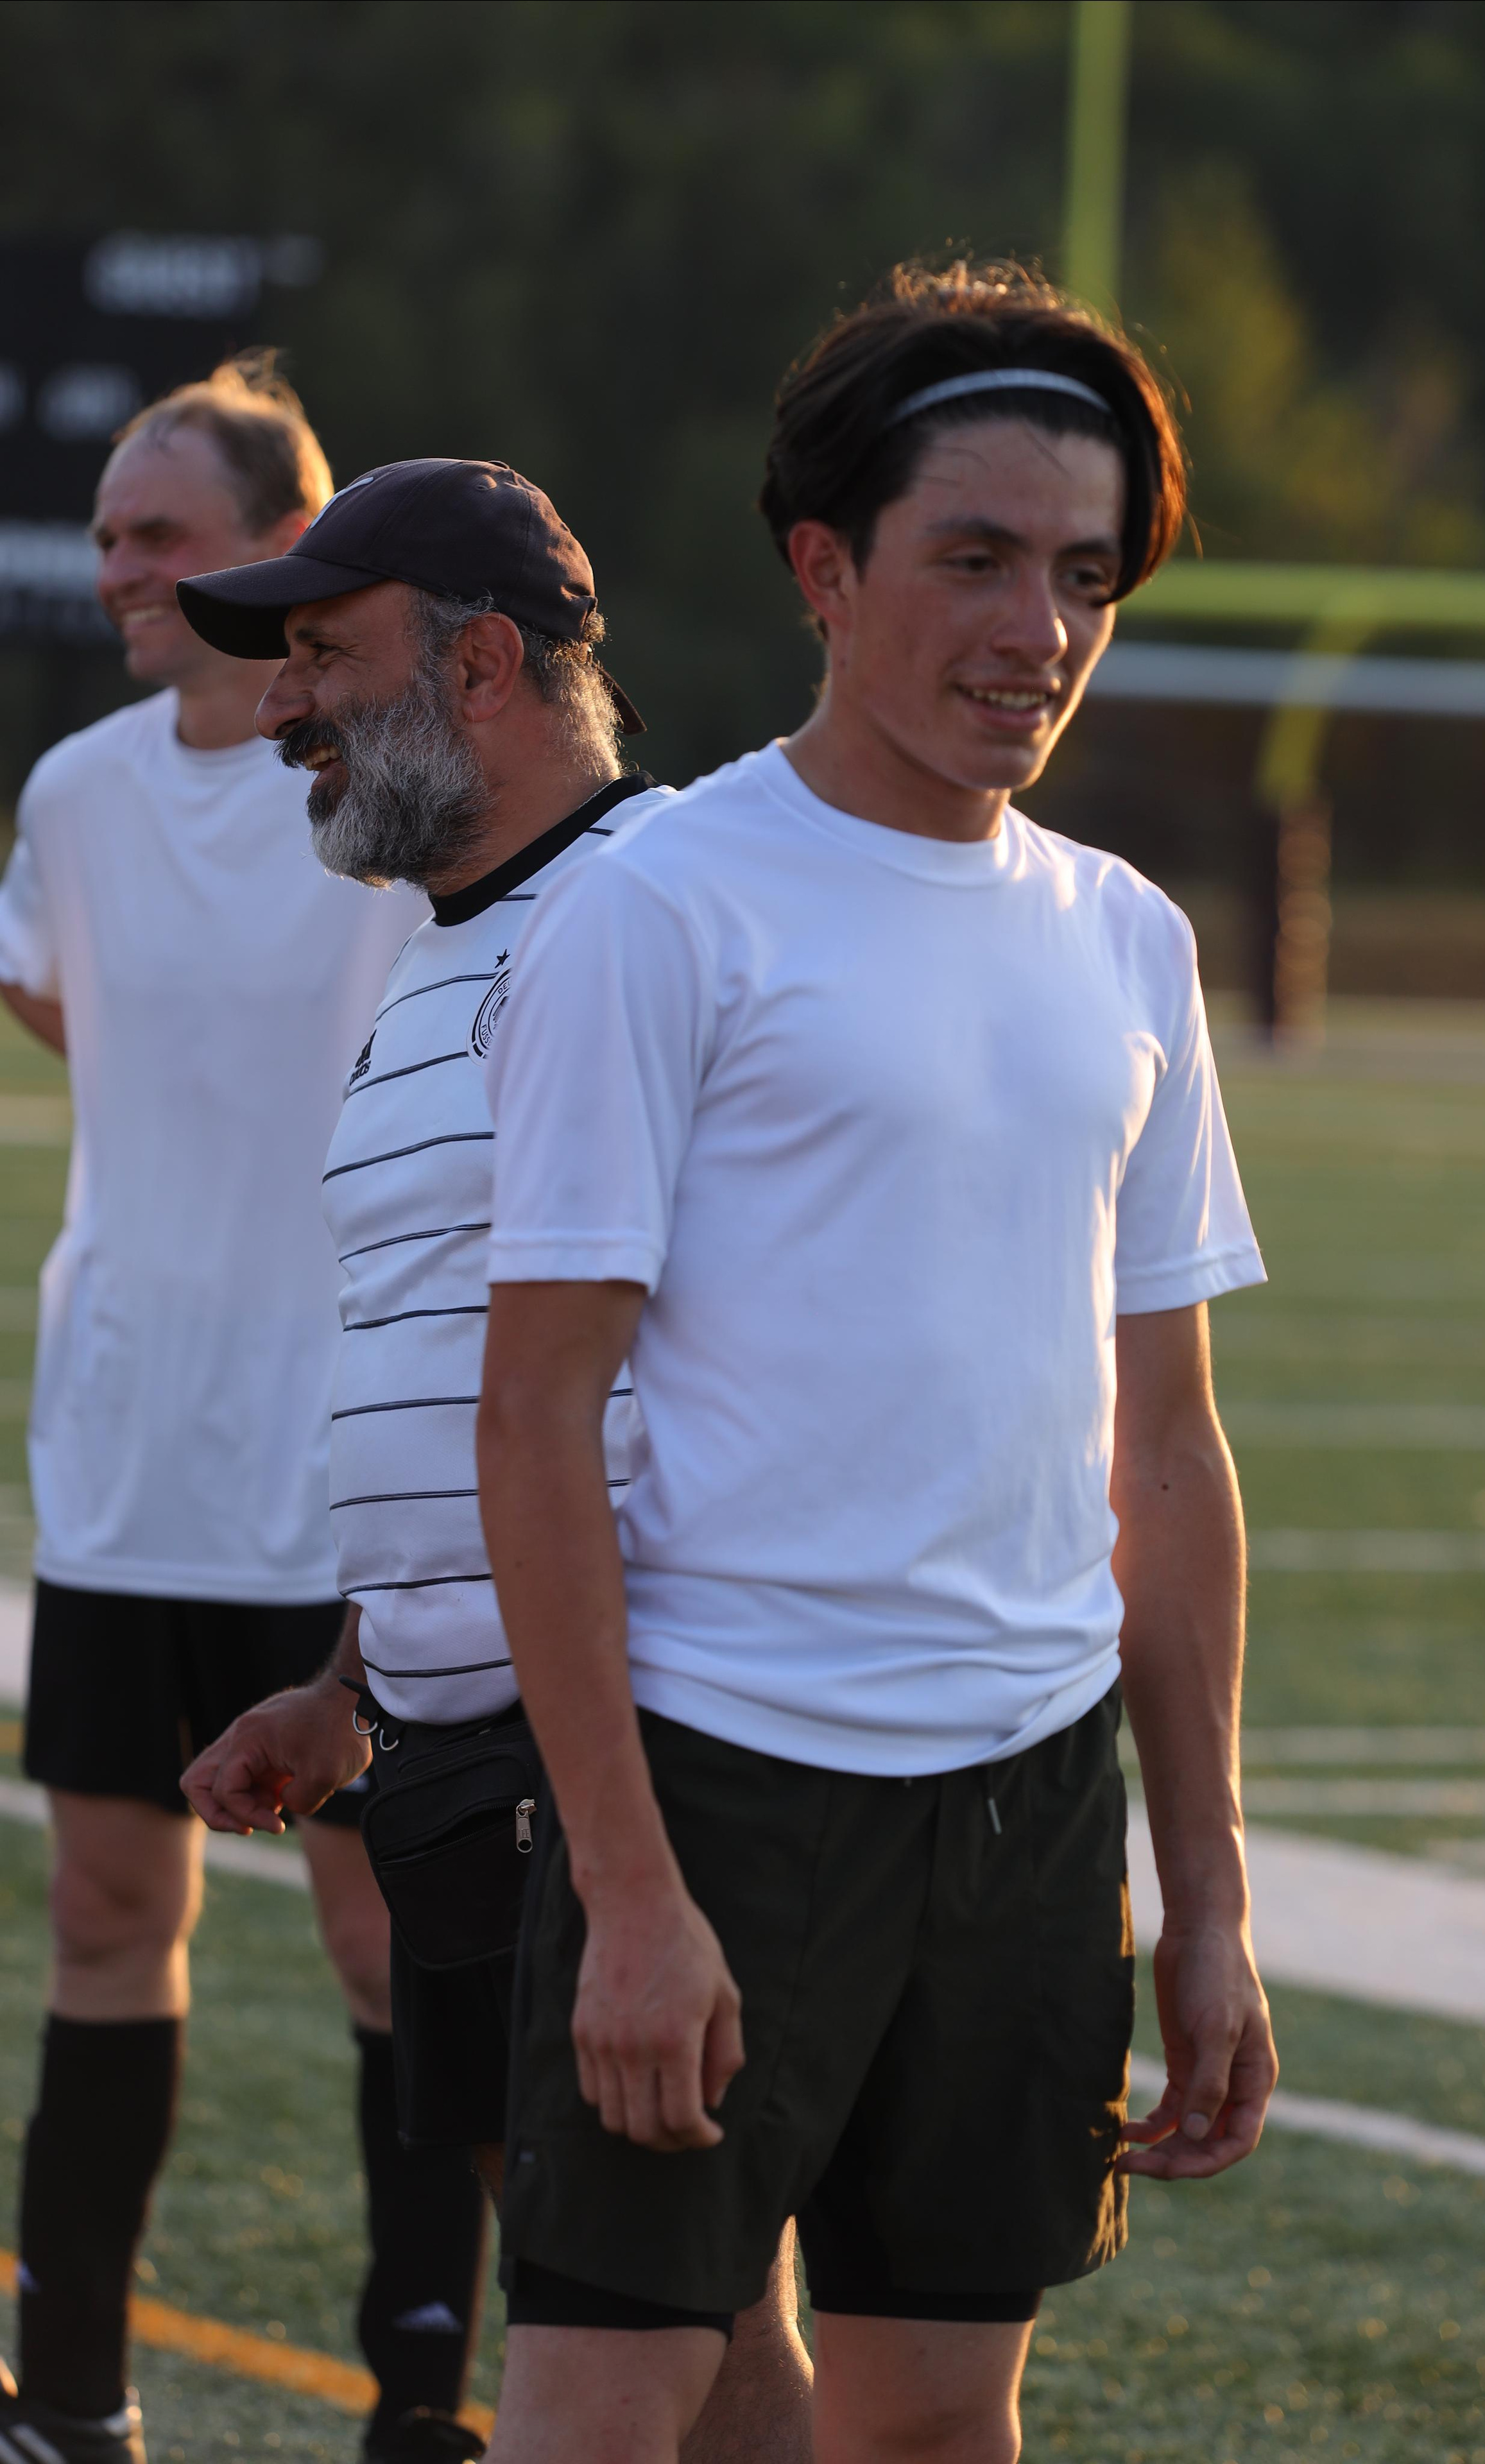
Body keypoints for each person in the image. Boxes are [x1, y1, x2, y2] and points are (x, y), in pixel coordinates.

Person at [472, 259, 1280, 2464]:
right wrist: (629, 1889)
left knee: (935, 2425)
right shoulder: (664, 905)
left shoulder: (1128, 937)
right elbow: (533, 1415)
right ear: (825, 571)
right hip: (723, 1782)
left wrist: (1206, 1899)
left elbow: (1170, 1449)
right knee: (604, 2421)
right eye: (979, 560)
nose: (1041, 630)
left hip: (1032, 1802)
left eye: (1088, 575)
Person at [172, 457, 814, 2463]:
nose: (281, 707)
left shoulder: (658, 911)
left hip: (617, 1740)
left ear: (482, 664)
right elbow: (468, 1367)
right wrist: (353, 1682)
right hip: (461, 1745)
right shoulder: (453, 944)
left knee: (660, 2319)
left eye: (322, 655)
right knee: (664, 2312)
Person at [0, 369, 490, 2464]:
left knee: (386, 1943)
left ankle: (421, 2409)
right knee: (108, 1923)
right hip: (127, 1456)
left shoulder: (385, 797)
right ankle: (71, 2403)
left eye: (163, 534)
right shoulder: (74, 794)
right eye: (110, 533)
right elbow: (60, 997)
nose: (122, 567)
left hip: (336, 1471)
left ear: (284, 558)